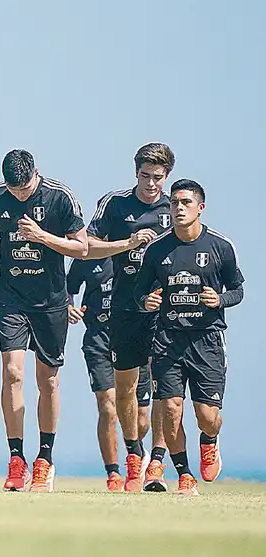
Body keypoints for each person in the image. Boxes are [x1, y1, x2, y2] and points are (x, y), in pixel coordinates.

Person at [0, 149, 88, 492]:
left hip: (50, 300)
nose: (20, 195)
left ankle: (45, 458)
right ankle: (16, 458)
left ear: (36, 175)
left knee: (48, 381)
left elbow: (81, 247)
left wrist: (42, 237)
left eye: (24, 189)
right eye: (15, 190)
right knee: (12, 372)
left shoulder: (59, 197)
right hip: (10, 297)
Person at [136, 179, 244, 496]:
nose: (179, 208)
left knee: (207, 417)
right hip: (168, 339)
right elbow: (137, 292)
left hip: (207, 340)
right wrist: (146, 301)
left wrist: (220, 300)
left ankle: (209, 441)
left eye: (185, 202)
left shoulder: (220, 247)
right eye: (174, 203)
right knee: (170, 409)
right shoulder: (157, 249)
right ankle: (184, 475)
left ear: (200, 207)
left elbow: (238, 289)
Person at [84, 143, 174, 492]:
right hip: (122, 308)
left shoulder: (175, 207)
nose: (150, 184)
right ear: (135, 172)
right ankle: (132, 456)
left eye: (157, 178)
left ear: (166, 177)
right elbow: (87, 247)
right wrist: (128, 243)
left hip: (165, 312)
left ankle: (157, 462)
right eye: (144, 176)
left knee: (166, 388)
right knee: (126, 391)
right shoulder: (115, 204)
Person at [67, 257, 153, 491]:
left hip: (134, 337)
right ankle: (113, 473)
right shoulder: (86, 255)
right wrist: (69, 307)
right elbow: (68, 287)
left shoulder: (140, 253)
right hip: (99, 339)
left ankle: (136, 451)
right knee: (108, 407)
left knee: (141, 416)